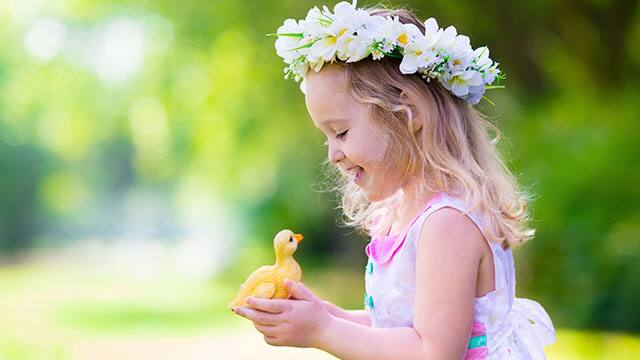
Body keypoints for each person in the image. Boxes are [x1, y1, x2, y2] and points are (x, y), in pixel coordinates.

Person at [232, 1, 556, 358]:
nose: (332, 154)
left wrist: (322, 330)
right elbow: (396, 328)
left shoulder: (447, 223)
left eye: (340, 132)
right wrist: (327, 315)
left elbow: (433, 351)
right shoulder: (408, 217)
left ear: (406, 113)